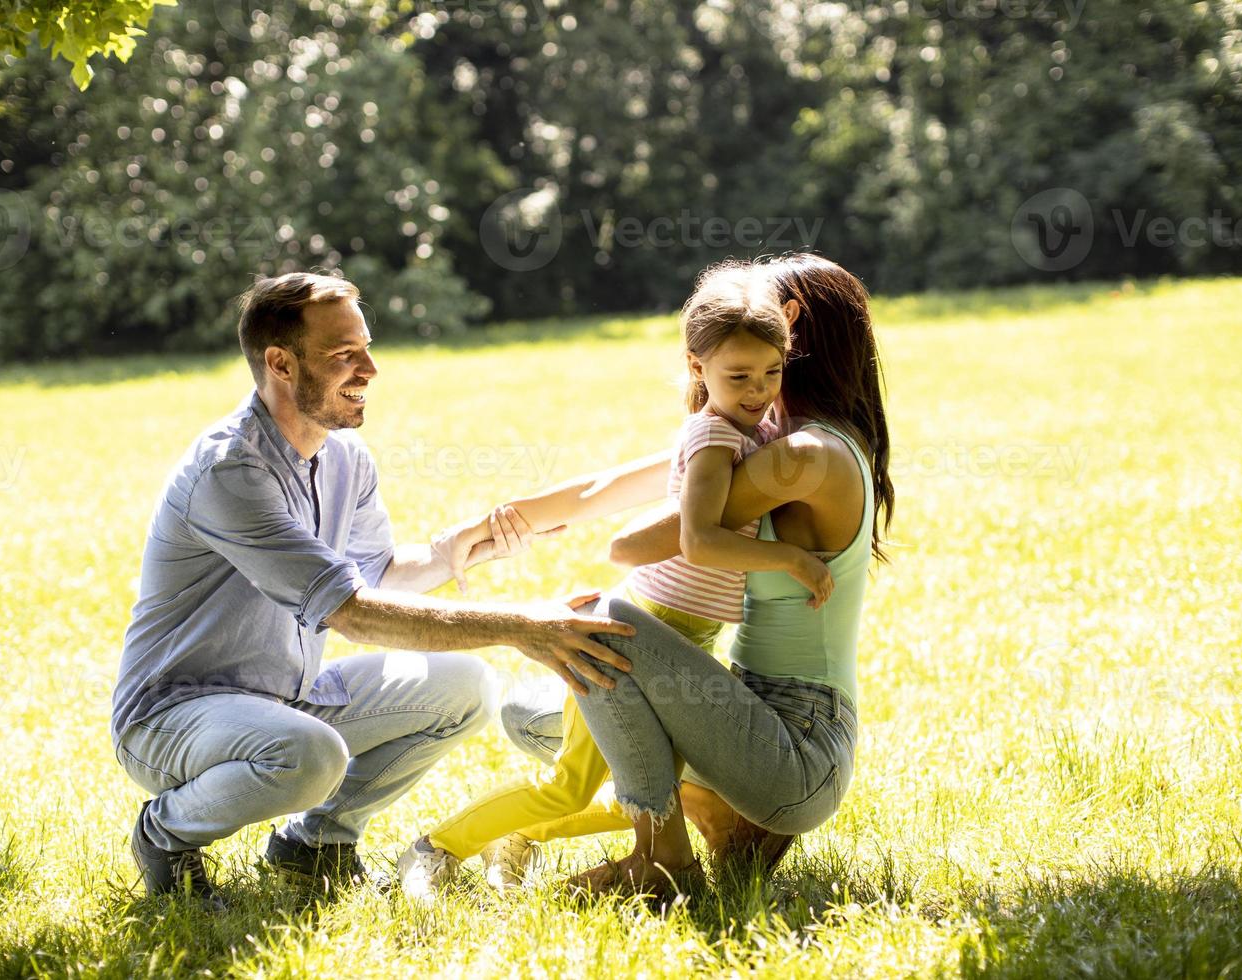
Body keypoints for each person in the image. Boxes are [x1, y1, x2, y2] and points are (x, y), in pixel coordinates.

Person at [110, 272, 636, 910]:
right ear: (280, 363)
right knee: (310, 755)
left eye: (366, 346)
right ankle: (164, 834)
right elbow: (354, 613)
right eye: (344, 355)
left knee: (462, 687)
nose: (371, 368)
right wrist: (523, 625)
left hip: (285, 696)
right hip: (175, 716)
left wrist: (455, 548)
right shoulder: (231, 471)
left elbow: (376, 575)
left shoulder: (342, 457)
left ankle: (316, 844)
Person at [394, 262, 835, 901]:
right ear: (696, 368)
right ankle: (436, 848)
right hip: (631, 634)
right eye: (738, 376)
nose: (758, 390)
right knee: (572, 785)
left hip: (676, 641)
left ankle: (521, 840)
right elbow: (697, 539)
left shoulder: (753, 427)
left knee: (656, 783)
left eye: (771, 372)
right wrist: (794, 562)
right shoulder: (715, 435)